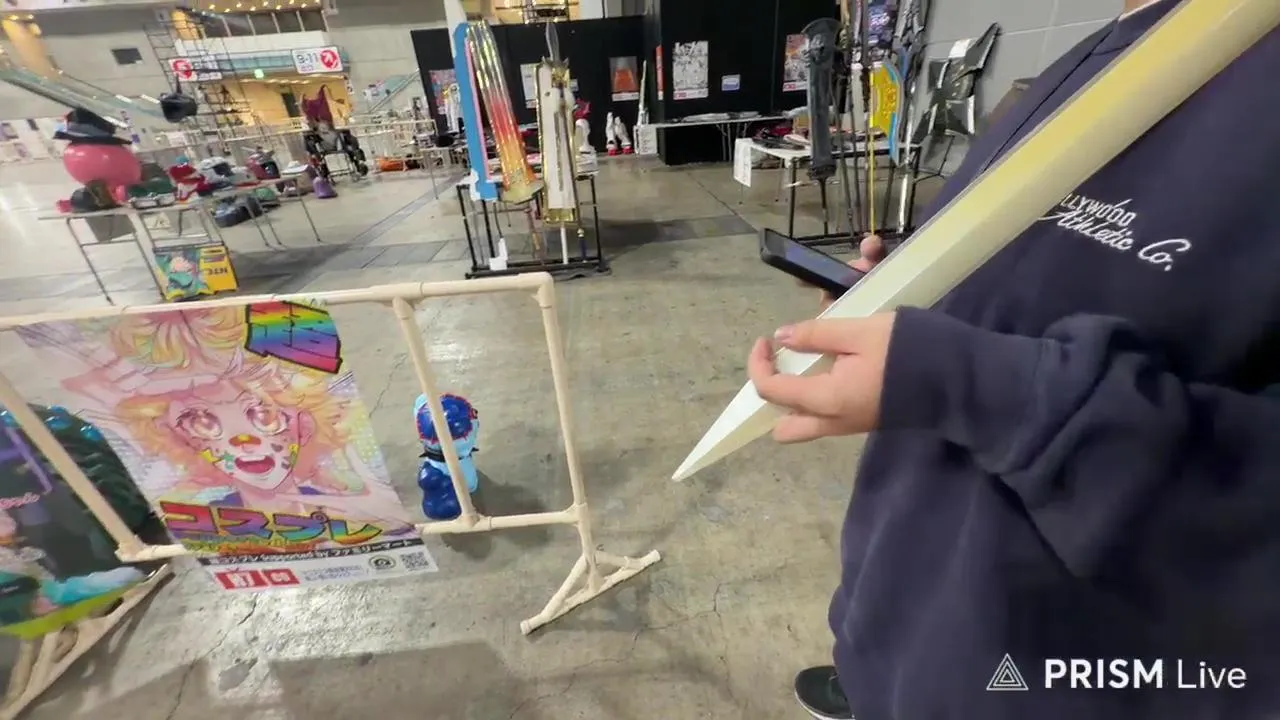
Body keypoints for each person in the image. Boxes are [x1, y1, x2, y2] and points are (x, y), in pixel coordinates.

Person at [759, 1, 1280, 718]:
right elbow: (1025, 290)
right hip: (906, 640)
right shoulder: (1104, 54)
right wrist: (907, 300)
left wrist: (972, 383)